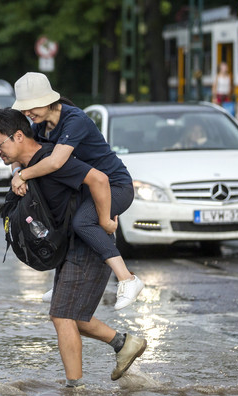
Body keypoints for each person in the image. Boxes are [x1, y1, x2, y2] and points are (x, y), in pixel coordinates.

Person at [0, 107, 147, 387]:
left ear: (19, 136)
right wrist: (19, 174)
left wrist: (106, 218)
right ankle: (124, 344)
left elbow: (99, 179)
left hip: (88, 245)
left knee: (62, 315)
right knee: (73, 315)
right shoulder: (31, 163)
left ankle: (74, 392)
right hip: (71, 245)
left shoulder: (51, 159)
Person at [10, 72, 143, 310]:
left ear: (49, 100)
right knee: (62, 220)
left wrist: (23, 175)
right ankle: (61, 283)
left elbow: (55, 162)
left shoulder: (75, 120)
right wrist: (16, 171)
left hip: (115, 186)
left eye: (32, 107)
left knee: (82, 222)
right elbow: (24, 152)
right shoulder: (40, 126)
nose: (28, 113)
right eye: (24, 109)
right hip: (87, 189)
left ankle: (128, 279)